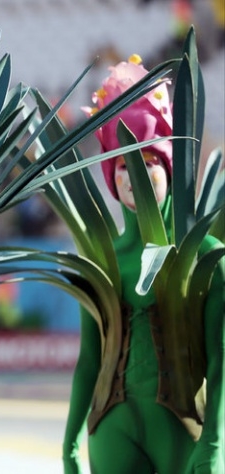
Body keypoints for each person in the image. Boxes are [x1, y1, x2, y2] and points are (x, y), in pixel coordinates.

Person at [62, 56, 224, 474]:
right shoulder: (99, 262)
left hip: (183, 433)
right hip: (110, 433)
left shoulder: (206, 256)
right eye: (123, 164)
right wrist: (70, 441)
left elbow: (221, 358)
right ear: (110, 177)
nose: (135, 172)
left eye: (149, 161)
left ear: (169, 168)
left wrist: (215, 442)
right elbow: (89, 360)